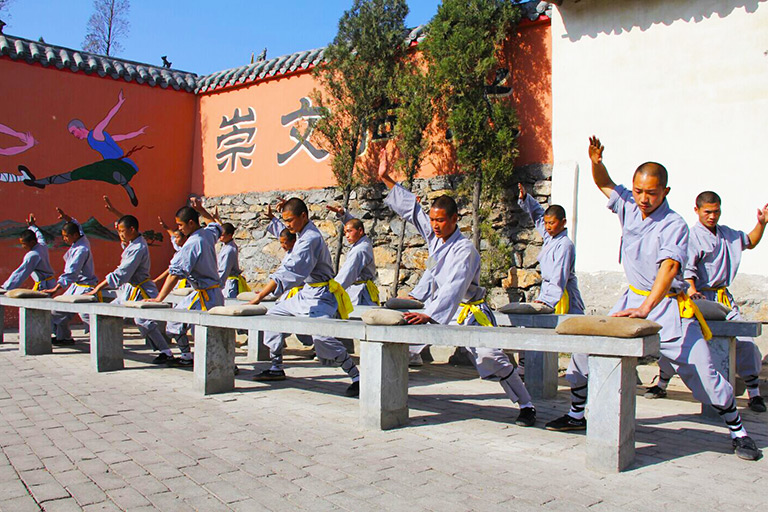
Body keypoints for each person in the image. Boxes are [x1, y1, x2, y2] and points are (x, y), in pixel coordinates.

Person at [546, 136, 760, 461]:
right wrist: (595, 161)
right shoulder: (629, 206)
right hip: (629, 299)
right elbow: (604, 184)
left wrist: (646, 308)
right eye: (639, 191)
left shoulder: (675, 225)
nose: (644, 199)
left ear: (666, 192)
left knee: (704, 371)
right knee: (586, 349)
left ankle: (739, 432)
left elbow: (669, 267)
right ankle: (577, 415)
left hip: (667, 307)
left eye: (652, 193)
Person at [378, 147, 536, 427]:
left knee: (492, 358)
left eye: (441, 220)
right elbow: (413, 212)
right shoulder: (436, 237)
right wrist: (387, 179)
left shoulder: (465, 250)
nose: (435, 226)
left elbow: (454, 286)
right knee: (403, 342)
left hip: (470, 312)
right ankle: (383, 396)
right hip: (440, 309)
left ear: (454, 220)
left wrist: (431, 313)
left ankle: (526, 405)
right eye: (433, 220)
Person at [646, 191, 767, 413]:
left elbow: (750, 241)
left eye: (716, 211)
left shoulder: (727, 234)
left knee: (745, 341)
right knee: (679, 342)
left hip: (723, 300)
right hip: (697, 299)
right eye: (707, 212)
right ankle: (662, 383)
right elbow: (686, 270)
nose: (712, 216)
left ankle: (754, 393)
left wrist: (761, 223)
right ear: (697, 211)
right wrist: (692, 292)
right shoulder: (691, 237)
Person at [248, 197, 360, 397]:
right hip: (305, 293)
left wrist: (262, 294)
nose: (288, 225)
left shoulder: (310, 239)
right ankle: (276, 367)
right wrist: (274, 219)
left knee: (322, 336)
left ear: (303, 216)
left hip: (321, 296)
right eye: (285, 221)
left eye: (290, 220)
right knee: (273, 316)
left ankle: (357, 377)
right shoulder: (300, 232)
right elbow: (283, 233)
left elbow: (292, 270)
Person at [2, 91, 149, 206]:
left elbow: (107, 118)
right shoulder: (98, 139)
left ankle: (125, 185)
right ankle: (42, 181)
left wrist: (119, 103)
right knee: (77, 174)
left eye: (73, 132)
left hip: (118, 165)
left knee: (83, 171)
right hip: (116, 167)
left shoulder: (96, 133)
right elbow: (121, 137)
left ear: (80, 128)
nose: (74, 135)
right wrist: (137, 133)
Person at [518, 183, 587, 424]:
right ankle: (525, 368)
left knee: (577, 344)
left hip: (563, 297)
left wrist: (545, 301)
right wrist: (527, 198)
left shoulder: (565, 245)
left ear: (563, 222)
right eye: (546, 224)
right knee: (531, 330)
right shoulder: (549, 237)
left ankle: (579, 400)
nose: (547, 227)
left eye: (552, 223)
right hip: (547, 293)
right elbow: (537, 215)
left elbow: (558, 277)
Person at [85, 207, 173, 364]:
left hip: (141, 290)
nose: (121, 234)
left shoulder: (138, 247)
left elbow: (123, 272)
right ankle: (108, 345)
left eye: (122, 231)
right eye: (119, 232)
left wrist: (99, 287)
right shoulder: (134, 242)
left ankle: (166, 352)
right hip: (129, 290)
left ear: (132, 229)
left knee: (144, 321)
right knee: (107, 312)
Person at [145, 200, 224, 366]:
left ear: (190, 223)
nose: (179, 229)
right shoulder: (207, 234)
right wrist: (201, 209)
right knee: (182, 323)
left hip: (206, 294)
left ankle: (223, 364)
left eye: (180, 225)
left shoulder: (193, 243)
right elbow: (214, 224)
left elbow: (174, 274)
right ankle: (188, 357)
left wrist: (160, 298)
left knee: (204, 330)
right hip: (207, 293)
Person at [40, 208, 99, 345]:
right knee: (57, 311)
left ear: (73, 235)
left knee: (86, 315)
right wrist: (67, 218)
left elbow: (71, 273)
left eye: (66, 236)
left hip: (85, 287)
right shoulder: (81, 239)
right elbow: (78, 225)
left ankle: (105, 339)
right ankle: (64, 337)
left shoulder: (81, 250)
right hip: (75, 286)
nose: (64, 239)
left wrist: (56, 289)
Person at [327, 205, 379, 306]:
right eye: (345, 232)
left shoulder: (359, 250)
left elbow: (347, 273)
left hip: (359, 294)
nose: (347, 235)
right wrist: (343, 215)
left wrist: (331, 291)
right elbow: (353, 224)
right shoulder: (363, 240)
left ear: (360, 231)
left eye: (349, 232)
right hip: (358, 290)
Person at [1, 214, 55, 292]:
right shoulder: (42, 245)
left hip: (43, 286)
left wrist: (6, 287)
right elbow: (39, 235)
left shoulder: (33, 255)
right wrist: (32, 226)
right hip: (50, 283)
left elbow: (21, 273)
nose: (23, 246)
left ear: (32, 242)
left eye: (24, 244)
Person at [218, 223, 250, 299]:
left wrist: (217, 286)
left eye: (222, 235)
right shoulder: (226, 245)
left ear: (229, 235)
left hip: (228, 283)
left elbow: (225, 270)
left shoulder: (229, 250)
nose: (220, 237)